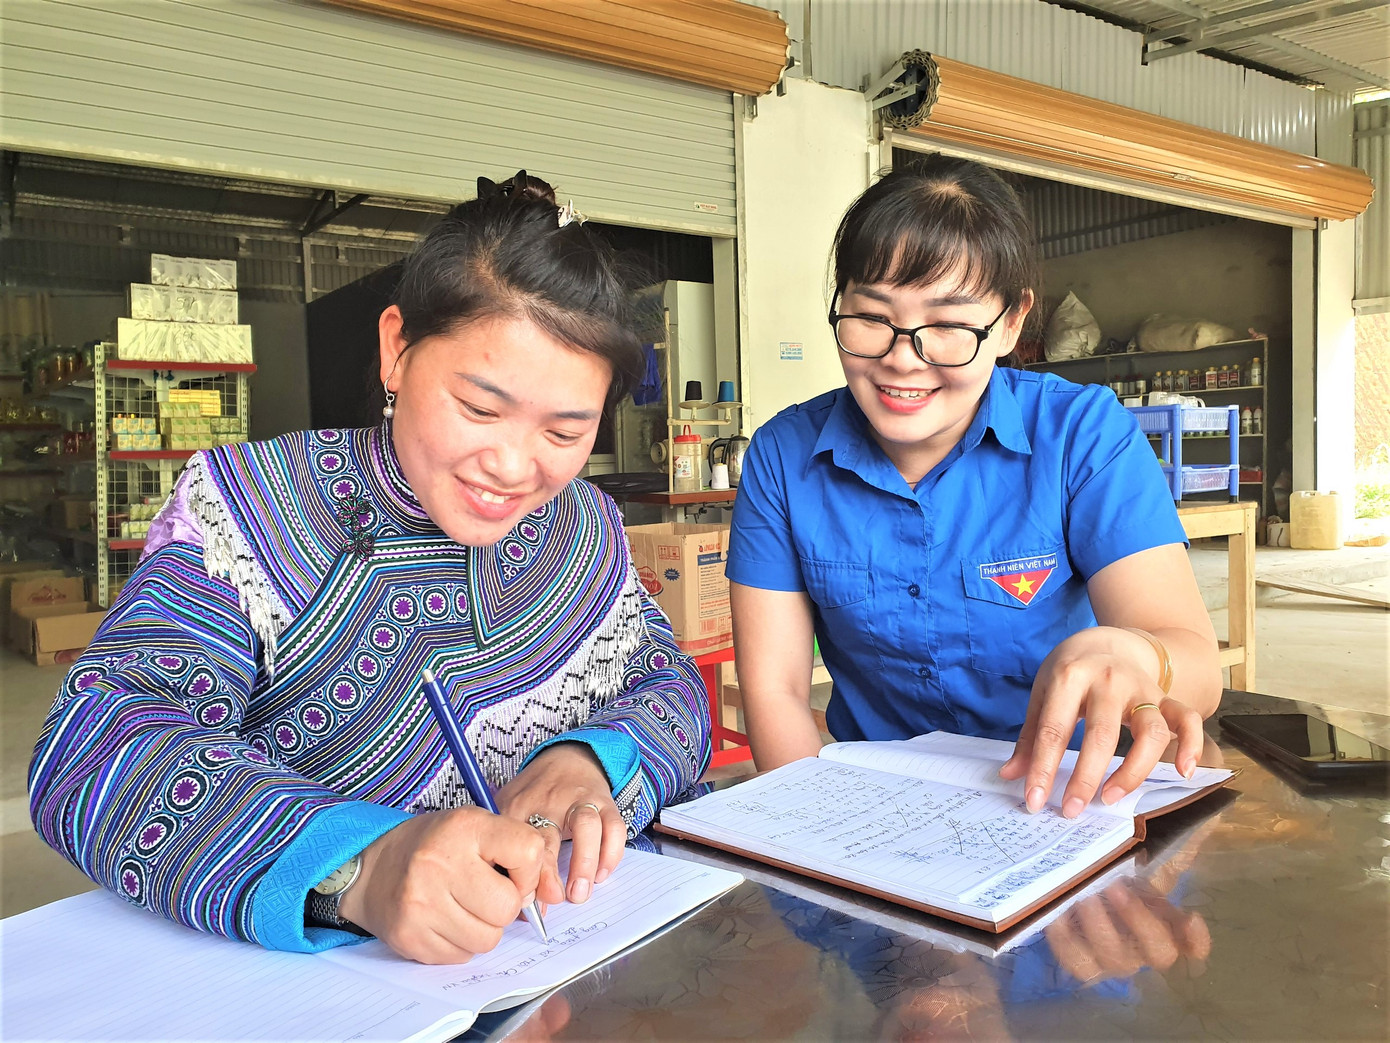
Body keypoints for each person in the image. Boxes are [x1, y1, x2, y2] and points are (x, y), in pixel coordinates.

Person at [28, 171, 711, 965]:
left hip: (553, 966)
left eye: (565, 431)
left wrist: (591, 755)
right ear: (397, 349)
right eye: (481, 408)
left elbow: (671, 685)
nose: (513, 465)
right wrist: (361, 866)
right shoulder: (250, 510)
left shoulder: (584, 525)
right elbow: (95, 748)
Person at [727, 155, 1221, 817]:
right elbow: (777, 693)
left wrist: (1135, 653)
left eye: (950, 325)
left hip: (1069, 803)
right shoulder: (784, 457)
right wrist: (833, 841)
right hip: (874, 810)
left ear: (1011, 322)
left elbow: (1193, 659)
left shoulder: (1081, 434)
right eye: (871, 317)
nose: (904, 357)